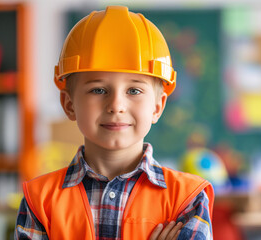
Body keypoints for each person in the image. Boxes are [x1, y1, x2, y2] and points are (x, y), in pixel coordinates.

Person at [15, 5, 214, 240]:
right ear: (69, 104)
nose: (116, 105)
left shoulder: (188, 199)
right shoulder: (39, 200)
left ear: (157, 106)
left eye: (134, 90)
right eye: (98, 90)